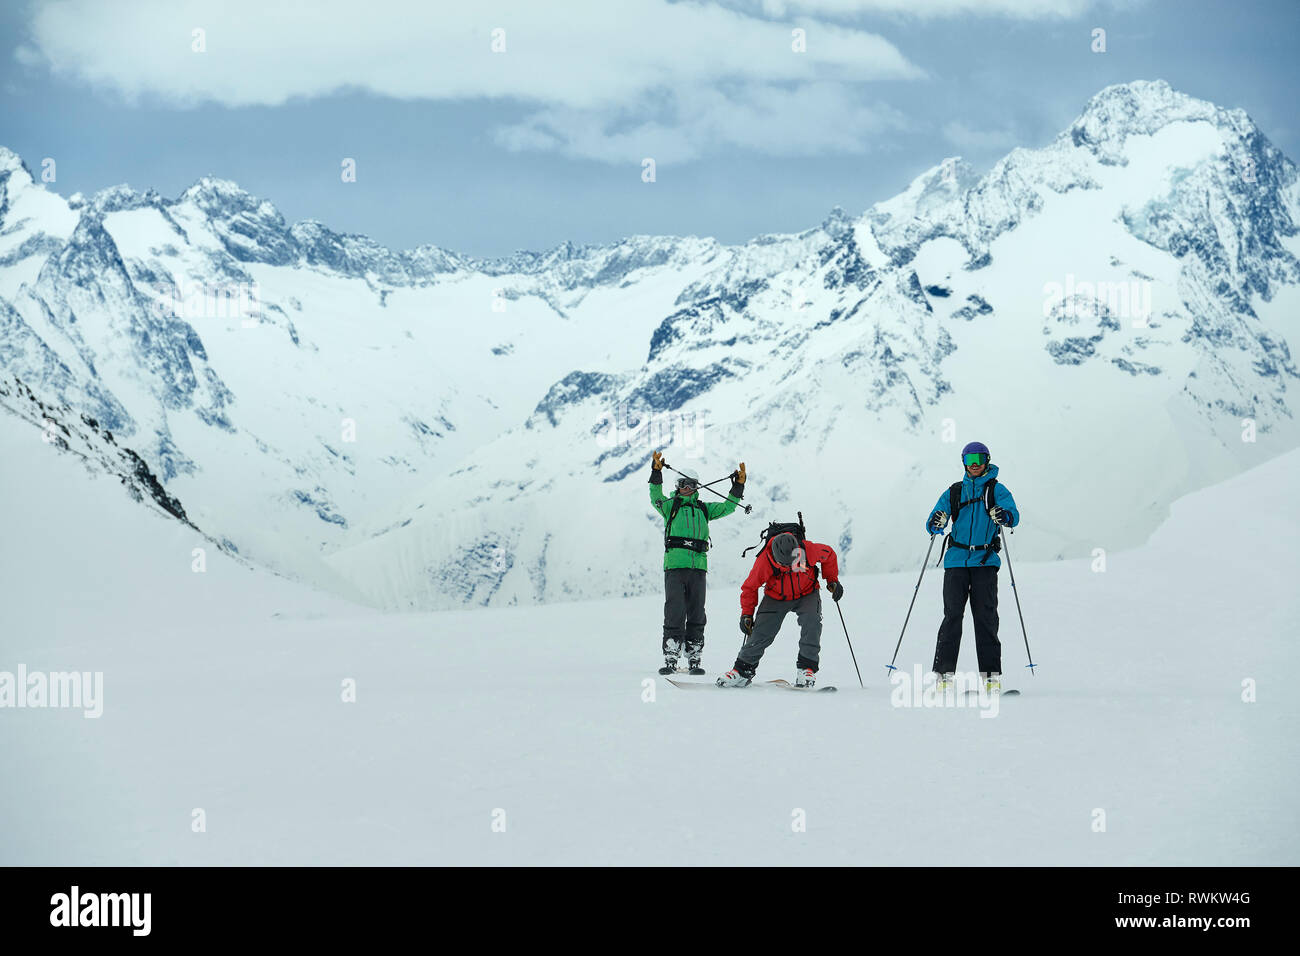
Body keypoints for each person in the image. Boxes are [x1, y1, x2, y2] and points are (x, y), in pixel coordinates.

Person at [924, 440, 1020, 693]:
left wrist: (1005, 516)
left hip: (985, 562)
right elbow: (933, 522)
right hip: (956, 561)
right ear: (964, 463)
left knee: (985, 617)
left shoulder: (996, 490)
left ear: (987, 460)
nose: (974, 464)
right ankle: (943, 677)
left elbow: (1014, 516)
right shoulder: (955, 492)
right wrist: (936, 522)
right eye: (969, 460)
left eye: (978, 458)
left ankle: (991, 678)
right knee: (952, 616)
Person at [648, 451, 746, 675]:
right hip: (674, 566)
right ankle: (671, 655)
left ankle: (694, 656)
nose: (687, 488)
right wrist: (656, 472)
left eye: (691, 484)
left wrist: (737, 487)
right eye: (683, 484)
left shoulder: (704, 509)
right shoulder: (669, 506)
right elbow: (655, 495)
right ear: (678, 485)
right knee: (674, 610)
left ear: (697, 487)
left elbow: (728, 507)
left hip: (698, 568)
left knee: (696, 611)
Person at [717, 524, 842, 688]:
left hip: (807, 592)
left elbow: (829, 554)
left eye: (793, 563)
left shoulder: (808, 549)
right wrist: (747, 614)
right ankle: (742, 671)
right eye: (785, 565)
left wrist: (832, 580)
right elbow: (750, 587)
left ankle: (806, 669)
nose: (790, 567)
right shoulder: (764, 561)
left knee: (812, 623)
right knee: (761, 632)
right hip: (776, 597)